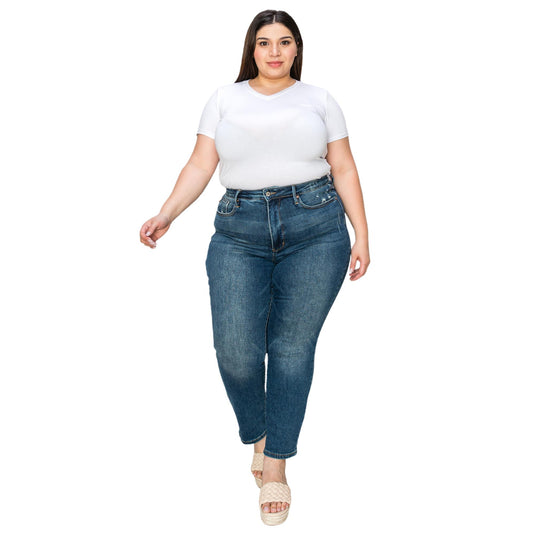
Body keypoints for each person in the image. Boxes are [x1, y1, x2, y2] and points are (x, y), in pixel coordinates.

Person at [139, 9, 370, 526]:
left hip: (316, 226)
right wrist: (167, 213)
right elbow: (201, 164)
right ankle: (260, 437)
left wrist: (363, 232)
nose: (274, 52)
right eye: (264, 42)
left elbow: (345, 165)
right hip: (238, 230)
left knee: (290, 348)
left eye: (284, 42)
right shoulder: (224, 99)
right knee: (236, 349)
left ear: (296, 49)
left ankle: (277, 468)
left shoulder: (320, 100)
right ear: (251, 49)